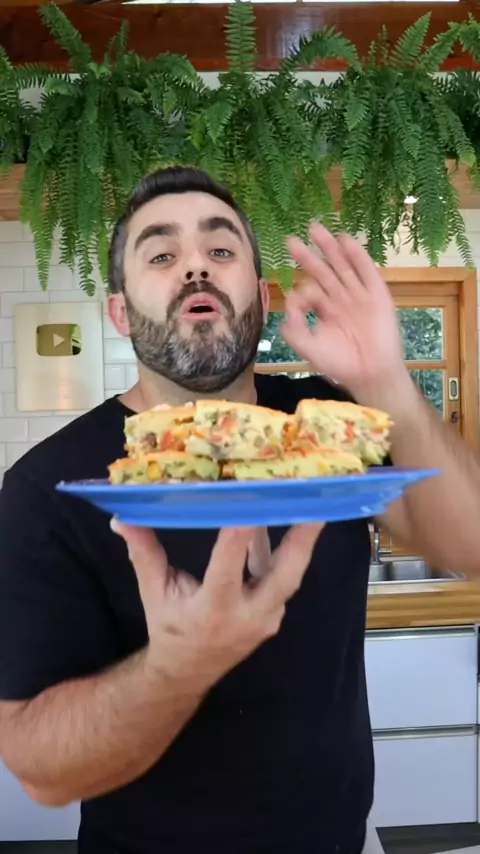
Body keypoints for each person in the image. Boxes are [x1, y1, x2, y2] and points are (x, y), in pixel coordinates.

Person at [0, 166, 479, 854]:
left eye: (220, 249)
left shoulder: (329, 426)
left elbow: (470, 543)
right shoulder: (46, 485)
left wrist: (386, 378)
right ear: (120, 312)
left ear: (261, 296)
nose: (196, 266)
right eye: (161, 255)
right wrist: (178, 668)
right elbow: (40, 769)